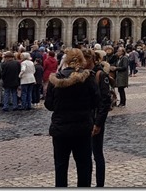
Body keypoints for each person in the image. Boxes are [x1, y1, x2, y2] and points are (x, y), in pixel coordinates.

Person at [44, 48, 100, 188]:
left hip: (60, 128)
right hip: (82, 128)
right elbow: (96, 101)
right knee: (84, 165)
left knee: (61, 166)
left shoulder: (55, 79)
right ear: (82, 60)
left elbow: (49, 105)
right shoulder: (88, 78)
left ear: (66, 60)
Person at [83, 49, 111, 187]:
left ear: (91, 59)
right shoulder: (84, 74)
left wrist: (98, 123)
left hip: (95, 120)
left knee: (97, 154)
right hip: (84, 120)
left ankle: (100, 185)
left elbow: (105, 102)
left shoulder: (100, 74)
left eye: (85, 60)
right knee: (85, 155)